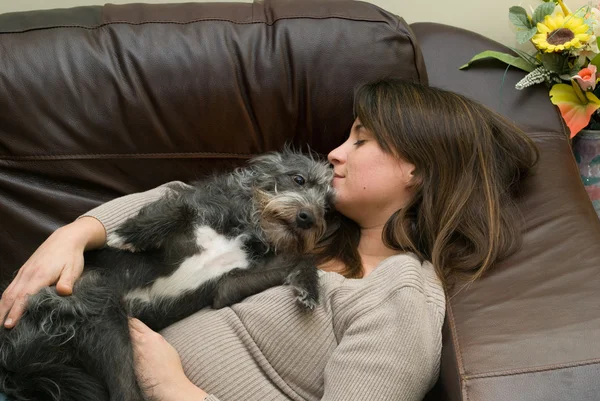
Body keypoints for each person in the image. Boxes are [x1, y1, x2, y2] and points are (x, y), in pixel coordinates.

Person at [0, 79, 538, 401]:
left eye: (361, 139)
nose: (335, 153)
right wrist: (74, 234)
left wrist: (177, 390)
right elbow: (186, 198)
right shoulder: (319, 227)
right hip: (53, 364)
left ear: (417, 169)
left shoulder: (398, 297)